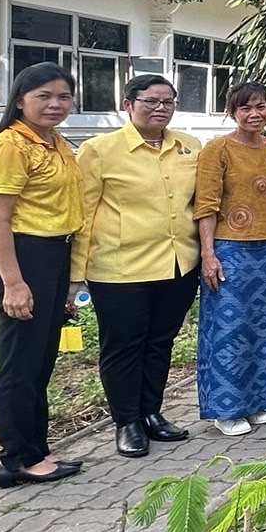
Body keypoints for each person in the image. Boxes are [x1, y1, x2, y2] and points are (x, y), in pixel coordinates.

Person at [72, 75, 202, 458]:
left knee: (160, 343)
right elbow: (85, 213)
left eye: (168, 102)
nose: (161, 108)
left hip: (178, 264)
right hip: (120, 269)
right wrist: (74, 276)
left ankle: (151, 412)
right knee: (124, 347)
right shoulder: (99, 151)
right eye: (151, 101)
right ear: (128, 104)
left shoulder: (189, 147)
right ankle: (126, 421)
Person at [0, 63, 85, 488]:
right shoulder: (10, 146)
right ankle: (16, 460)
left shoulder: (55, 143)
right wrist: (14, 283)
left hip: (54, 255)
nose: (55, 104)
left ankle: (37, 450)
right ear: (20, 99)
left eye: (63, 96)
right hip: (25, 257)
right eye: (44, 96)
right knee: (21, 364)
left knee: (40, 361)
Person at [194, 82, 266, 437]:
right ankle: (225, 408)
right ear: (233, 112)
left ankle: (257, 401)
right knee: (228, 329)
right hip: (229, 249)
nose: (254, 114)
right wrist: (208, 254)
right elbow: (206, 204)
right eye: (245, 108)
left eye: (260, 107)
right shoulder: (217, 150)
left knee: (264, 328)